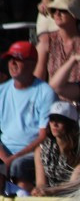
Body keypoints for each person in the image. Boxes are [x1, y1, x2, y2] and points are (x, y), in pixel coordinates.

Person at [0, 41, 55, 193]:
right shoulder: (1, 91)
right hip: (4, 152)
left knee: (19, 165)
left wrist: (13, 158)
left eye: (17, 59)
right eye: (10, 59)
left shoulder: (45, 92)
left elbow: (43, 135)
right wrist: (4, 158)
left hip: (32, 153)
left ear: (32, 64)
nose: (12, 63)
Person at [35, 0, 80, 83]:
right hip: (52, 96)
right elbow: (37, 81)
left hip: (78, 96)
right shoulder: (46, 41)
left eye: (62, 10)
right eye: (54, 10)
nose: (57, 13)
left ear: (75, 14)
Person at [32, 100, 80, 197]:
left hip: (74, 198)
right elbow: (41, 183)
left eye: (60, 120)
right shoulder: (41, 150)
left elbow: (74, 184)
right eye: (52, 119)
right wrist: (40, 190)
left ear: (70, 124)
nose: (54, 124)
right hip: (49, 198)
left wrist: (52, 191)